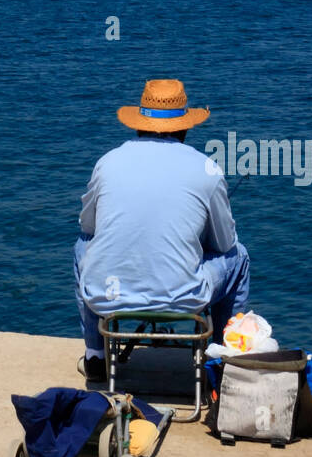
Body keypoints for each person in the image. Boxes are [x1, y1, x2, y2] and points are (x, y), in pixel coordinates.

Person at [74, 78, 249, 379]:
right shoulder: (205, 168)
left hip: (109, 295)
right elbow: (224, 245)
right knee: (240, 257)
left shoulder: (108, 162)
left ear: (138, 123)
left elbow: (88, 226)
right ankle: (223, 363)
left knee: (82, 246)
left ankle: (95, 355)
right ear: (185, 126)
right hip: (184, 297)